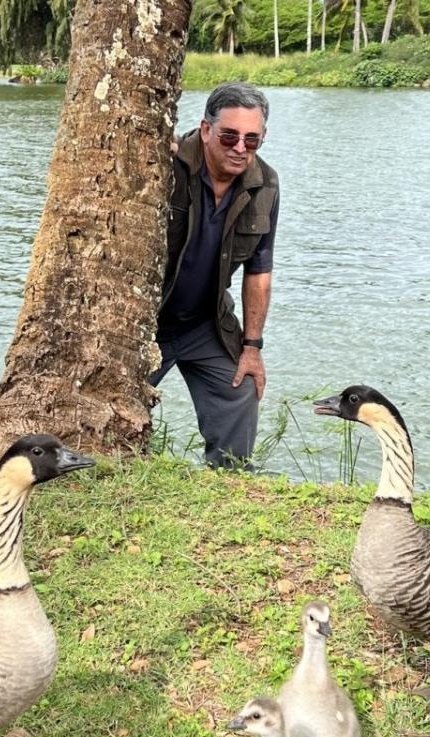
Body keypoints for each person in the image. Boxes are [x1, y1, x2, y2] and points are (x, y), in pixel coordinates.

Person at [151, 82, 280, 470]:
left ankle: (230, 479)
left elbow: (259, 270)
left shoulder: (266, 185)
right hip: (144, 324)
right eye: (229, 135)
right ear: (206, 130)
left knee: (241, 387)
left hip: (206, 323)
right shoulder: (163, 161)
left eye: (252, 139)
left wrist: (252, 347)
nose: (240, 147)